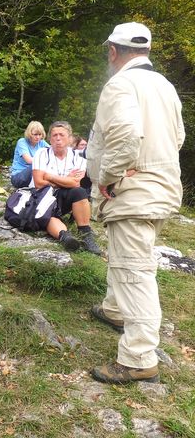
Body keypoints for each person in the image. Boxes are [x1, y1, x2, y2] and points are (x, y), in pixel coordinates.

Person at [87, 22, 184, 384]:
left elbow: (126, 135)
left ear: (113, 51)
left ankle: (139, 357)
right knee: (127, 254)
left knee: (133, 270)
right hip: (160, 186)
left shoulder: (121, 84)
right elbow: (178, 137)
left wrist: (108, 177)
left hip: (133, 189)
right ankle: (115, 308)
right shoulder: (164, 86)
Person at [31, 121, 101, 255]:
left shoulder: (78, 157)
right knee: (48, 215)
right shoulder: (41, 153)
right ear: (50, 139)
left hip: (64, 195)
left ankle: (85, 233)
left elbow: (76, 183)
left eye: (62, 135)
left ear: (70, 138)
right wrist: (66, 180)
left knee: (79, 192)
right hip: (41, 197)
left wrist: (50, 177)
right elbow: (39, 183)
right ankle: (65, 237)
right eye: (54, 135)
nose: (58, 138)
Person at [10, 121, 49, 188]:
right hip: (18, 176)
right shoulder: (22, 142)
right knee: (36, 166)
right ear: (29, 134)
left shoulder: (42, 143)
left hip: (34, 175)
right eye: (35, 134)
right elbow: (29, 160)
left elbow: (53, 153)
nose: (38, 137)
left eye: (40, 134)